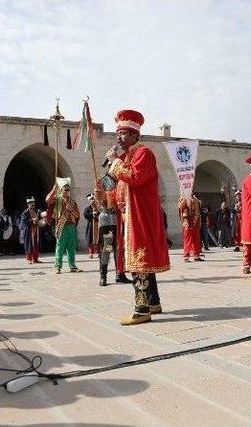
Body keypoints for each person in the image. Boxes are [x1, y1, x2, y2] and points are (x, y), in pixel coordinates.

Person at [103, 109, 170, 325]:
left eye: (122, 133)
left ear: (134, 135)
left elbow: (134, 177)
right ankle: (153, 303)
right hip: (130, 216)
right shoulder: (129, 157)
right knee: (143, 261)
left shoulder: (143, 153)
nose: (118, 138)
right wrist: (105, 195)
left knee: (139, 261)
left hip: (141, 216)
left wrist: (115, 162)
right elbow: (122, 188)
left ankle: (142, 309)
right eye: (117, 134)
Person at [46, 183, 81, 274]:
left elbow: (77, 215)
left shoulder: (72, 202)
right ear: (61, 190)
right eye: (65, 189)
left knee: (71, 247)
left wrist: (70, 209)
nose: (66, 191)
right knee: (60, 247)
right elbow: (48, 200)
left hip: (71, 226)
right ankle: (58, 266)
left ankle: (72, 266)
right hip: (62, 226)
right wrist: (54, 189)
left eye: (68, 190)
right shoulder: (57, 199)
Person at [95, 173, 118, 286]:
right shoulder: (103, 181)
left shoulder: (121, 178)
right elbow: (98, 203)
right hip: (107, 220)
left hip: (120, 220)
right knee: (107, 248)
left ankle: (120, 274)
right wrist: (101, 197)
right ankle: (103, 276)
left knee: (119, 248)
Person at [179, 194, 203, 262]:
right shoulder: (183, 198)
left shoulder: (195, 198)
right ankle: (186, 256)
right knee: (188, 239)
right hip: (187, 221)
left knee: (196, 239)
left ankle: (196, 255)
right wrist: (186, 200)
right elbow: (181, 207)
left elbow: (197, 209)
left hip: (195, 220)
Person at [19, 197, 43, 264]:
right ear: (28, 204)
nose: (33, 204)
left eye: (33, 203)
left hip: (36, 230)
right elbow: (25, 222)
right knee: (29, 245)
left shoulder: (37, 211)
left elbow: (40, 218)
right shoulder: (25, 212)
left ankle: (35, 259)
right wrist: (33, 220)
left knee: (36, 244)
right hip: (29, 231)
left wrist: (42, 219)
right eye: (31, 203)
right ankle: (29, 259)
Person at [83, 193, 99, 258]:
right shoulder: (87, 208)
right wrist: (92, 213)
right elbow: (85, 215)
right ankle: (91, 253)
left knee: (98, 239)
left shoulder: (98, 207)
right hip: (90, 225)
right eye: (91, 199)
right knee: (90, 240)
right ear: (89, 201)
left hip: (97, 225)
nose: (93, 200)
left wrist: (97, 213)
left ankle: (99, 252)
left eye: (93, 199)